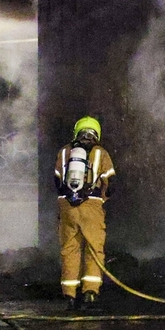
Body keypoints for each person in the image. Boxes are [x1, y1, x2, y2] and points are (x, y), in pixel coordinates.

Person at [54, 116, 115, 310]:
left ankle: (69, 296)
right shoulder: (100, 153)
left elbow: (57, 181)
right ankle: (90, 294)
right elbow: (111, 183)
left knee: (70, 249)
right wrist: (101, 199)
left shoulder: (64, 152)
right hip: (92, 205)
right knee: (93, 249)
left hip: (66, 206)